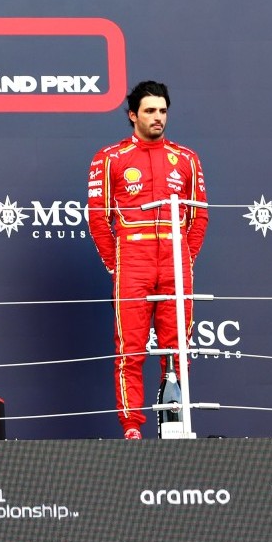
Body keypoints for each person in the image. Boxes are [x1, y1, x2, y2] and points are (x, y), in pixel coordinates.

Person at [88, 81, 208, 439]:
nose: (158, 117)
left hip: (175, 262)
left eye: (162, 111)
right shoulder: (109, 158)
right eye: (150, 111)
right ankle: (132, 428)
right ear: (132, 115)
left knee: (177, 352)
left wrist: (185, 257)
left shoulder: (186, 158)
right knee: (130, 350)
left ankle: (175, 425)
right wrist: (117, 264)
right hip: (133, 264)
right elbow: (98, 218)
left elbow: (199, 216)